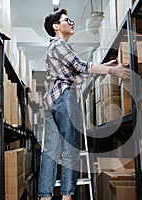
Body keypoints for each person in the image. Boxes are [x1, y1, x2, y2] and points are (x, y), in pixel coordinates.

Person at [38, 8, 130, 200]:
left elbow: (78, 72)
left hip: (51, 101)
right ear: (56, 26)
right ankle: (66, 196)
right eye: (66, 20)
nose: (71, 23)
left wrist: (107, 66)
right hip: (64, 97)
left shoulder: (54, 49)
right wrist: (112, 72)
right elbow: (80, 66)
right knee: (71, 148)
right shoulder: (59, 45)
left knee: (51, 151)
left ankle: (45, 197)